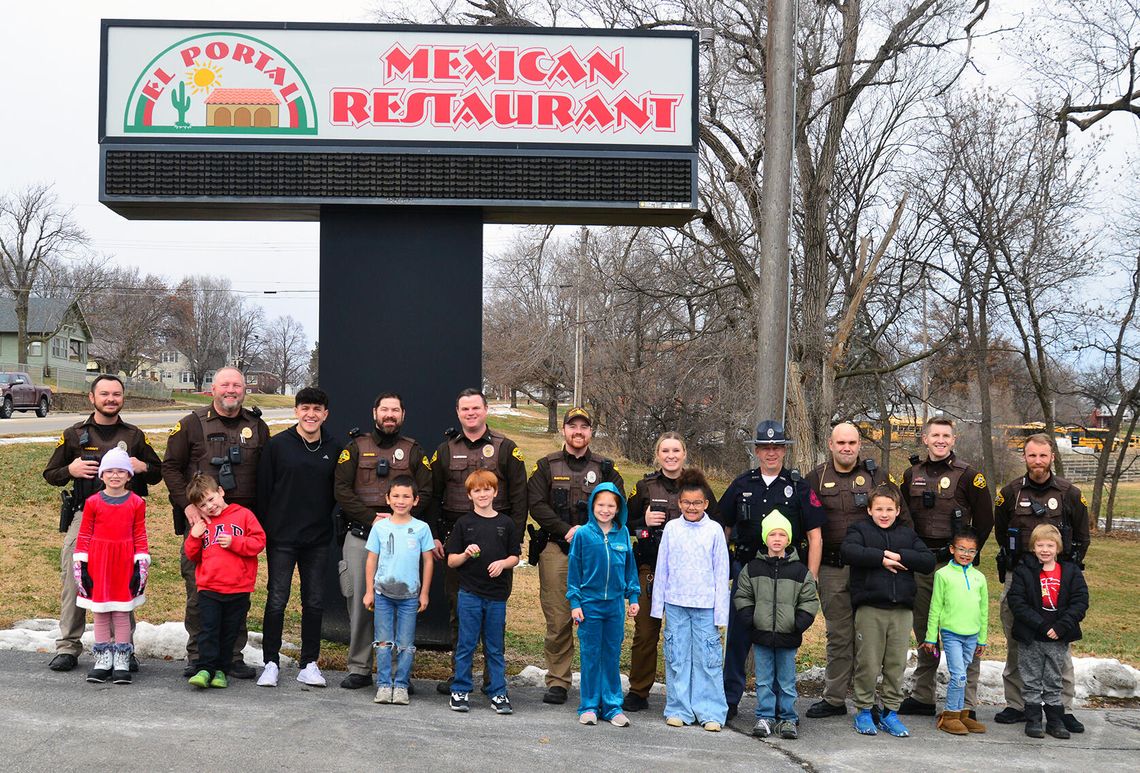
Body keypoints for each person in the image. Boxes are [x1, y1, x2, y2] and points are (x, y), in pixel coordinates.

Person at [43, 374, 162, 673]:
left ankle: (125, 648)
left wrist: (142, 466)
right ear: (92, 398)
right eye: (105, 394)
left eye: (117, 394)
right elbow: (50, 473)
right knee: (75, 574)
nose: (111, 399)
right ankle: (69, 646)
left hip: (123, 517)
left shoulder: (134, 436)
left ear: (123, 398)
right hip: (87, 515)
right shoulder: (74, 434)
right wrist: (70, 468)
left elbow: (158, 472)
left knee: (126, 579)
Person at [162, 366, 269, 679]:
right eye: (225, 385)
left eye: (237, 385)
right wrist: (187, 507)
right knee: (200, 595)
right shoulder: (191, 424)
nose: (231, 390)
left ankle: (231, 657)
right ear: (213, 389)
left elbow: (267, 471)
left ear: (244, 390)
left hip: (240, 528)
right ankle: (199, 657)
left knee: (237, 599)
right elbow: (170, 467)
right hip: (203, 528)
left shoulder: (257, 425)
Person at [719, 420, 825, 719]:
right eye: (765, 448)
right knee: (739, 637)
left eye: (776, 447)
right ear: (756, 450)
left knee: (782, 638)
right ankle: (730, 699)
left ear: (783, 450)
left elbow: (815, 535)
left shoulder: (798, 486)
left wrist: (811, 577)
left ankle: (781, 705)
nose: (771, 453)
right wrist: (721, 568)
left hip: (785, 577)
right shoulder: (742, 485)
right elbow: (722, 528)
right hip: (747, 573)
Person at [805, 422, 908, 718]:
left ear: (860, 445)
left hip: (872, 568)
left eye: (852, 442)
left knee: (871, 637)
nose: (847, 448)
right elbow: (807, 524)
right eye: (841, 443)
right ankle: (834, 698)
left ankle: (868, 699)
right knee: (839, 635)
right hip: (833, 567)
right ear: (830, 444)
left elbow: (900, 517)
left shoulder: (876, 475)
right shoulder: (816, 478)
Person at [333, 392, 434, 690]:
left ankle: (396, 672)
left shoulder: (414, 451)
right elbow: (341, 489)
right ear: (374, 412)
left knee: (399, 603)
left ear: (403, 415)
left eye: (395, 410)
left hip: (402, 542)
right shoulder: (355, 447)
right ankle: (360, 667)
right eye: (384, 410)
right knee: (362, 603)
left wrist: (397, 521)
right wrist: (371, 519)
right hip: (361, 536)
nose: (389, 415)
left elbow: (426, 492)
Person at [431, 388, 527, 695]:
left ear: (485, 410)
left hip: (497, 541)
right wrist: (435, 534)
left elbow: (520, 498)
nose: (470, 413)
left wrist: (514, 538)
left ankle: (492, 678)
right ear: (458, 413)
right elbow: (433, 495)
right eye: (464, 409)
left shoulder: (506, 448)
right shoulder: (445, 450)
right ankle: (460, 676)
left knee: (494, 613)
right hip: (457, 541)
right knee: (459, 610)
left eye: (476, 408)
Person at [993, 433, 1089, 733]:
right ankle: (1018, 704)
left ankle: (1064, 707)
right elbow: (1000, 533)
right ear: (1025, 457)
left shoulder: (1069, 493)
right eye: (1032, 456)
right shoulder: (1009, 492)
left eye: (1043, 456)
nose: (1037, 461)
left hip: (1056, 577)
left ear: (1052, 457)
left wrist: (1061, 568)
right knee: (1018, 640)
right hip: (1020, 576)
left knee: (1060, 644)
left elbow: (1083, 536)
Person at [526, 407, 623, 705]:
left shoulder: (606, 468)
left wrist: (590, 531)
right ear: (564, 431)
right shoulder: (546, 466)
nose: (578, 431)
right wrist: (568, 530)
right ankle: (558, 680)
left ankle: (598, 684)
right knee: (558, 617)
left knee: (595, 618)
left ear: (591, 432)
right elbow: (536, 504)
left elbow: (618, 505)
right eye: (573, 426)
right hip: (558, 548)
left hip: (596, 554)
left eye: (584, 427)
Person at [898, 417, 993, 717]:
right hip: (922, 564)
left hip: (955, 567)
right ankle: (923, 696)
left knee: (963, 630)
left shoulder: (969, 476)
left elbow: (985, 520)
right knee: (926, 629)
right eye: (935, 435)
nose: (940, 440)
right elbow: (904, 518)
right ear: (925, 439)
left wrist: (967, 554)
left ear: (954, 440)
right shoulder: (910, 474)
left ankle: (965, 703)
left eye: (946, 435)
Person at [623, 432, 719, 713]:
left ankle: (687, 694)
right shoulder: (643, 486)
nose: (671, 456)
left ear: (684, 453)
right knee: (645, 632)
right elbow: (621, 523)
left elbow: (716, 523)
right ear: (658, 455)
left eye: (676, 450)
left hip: (689, 575)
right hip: (650, 570)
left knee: (686, 636)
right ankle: (639, 690)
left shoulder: (699, 486)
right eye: (665, 450)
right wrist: (644, 522)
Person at [255, 387, 342, 688]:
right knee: (277, 600)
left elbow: (337, 493)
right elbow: (264, 491)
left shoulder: (334, 447)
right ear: (296, 411)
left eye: (317, 409)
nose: (311, 414)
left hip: (317, 538)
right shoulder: (278, 445)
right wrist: (269, 528)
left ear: (325, 414)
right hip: (282, 538)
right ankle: (270, 662)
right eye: (305, 408)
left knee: (314, 601)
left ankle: (309, 663)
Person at [841, 483, 935, 737]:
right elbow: (848, 551)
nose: (884, 514)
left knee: (895, 664)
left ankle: (889, 711)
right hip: (871, 609)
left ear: (897, 510)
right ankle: (863, 709)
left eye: (889, 509)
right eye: (879, 509)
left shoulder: (907, 534)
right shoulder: (859, 530)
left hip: (902, 610)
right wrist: (881, 558)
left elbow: (927, 561)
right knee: (868, 663)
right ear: (869, 510)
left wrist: (900, 556)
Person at [650, 469, 730, 732]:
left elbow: (721, 573)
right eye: (687, 503)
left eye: (697, 503)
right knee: (677, 657)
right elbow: (662, 569)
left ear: (706, 503)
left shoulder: (715, 531)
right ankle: (678, 708)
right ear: (679, 503)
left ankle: (711, 711)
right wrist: (657, 607)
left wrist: (721, 613)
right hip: (676, 604)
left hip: (706, 605)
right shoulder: (672, 529)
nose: (692, 507)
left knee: (708, 660)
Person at [733, 511, 819, 740]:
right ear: (765, 538)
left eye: (782, 534)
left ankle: (788, 718)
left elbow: (809, 601)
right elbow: (742, 596)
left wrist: (796, 623)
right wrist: (752, 619)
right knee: (763, 679)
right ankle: (765, 716)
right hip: (760, 635)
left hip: (787, 636)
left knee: (787, 680)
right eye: (773, 534)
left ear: (789, 539)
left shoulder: (800, 571)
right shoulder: (752, 568)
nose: (777, 539)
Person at [445, 469, 521, 715]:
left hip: (497, 596)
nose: (482, 494)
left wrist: (503, 563)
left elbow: (515, 557)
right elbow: (451, 561)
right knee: (466, 644)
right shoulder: (463, 524)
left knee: (495, 646)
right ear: (469, 495)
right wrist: (466, 553)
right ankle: (460, 689)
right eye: (477, 490)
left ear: (495, 492)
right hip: (469, 594)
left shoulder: (506, 523)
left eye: (487, 489)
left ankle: (498, 692)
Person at [73, 448, 150, 685]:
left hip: (124, 562)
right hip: (99, 561)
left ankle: (122, 659)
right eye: (109, 471)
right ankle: (103, 659)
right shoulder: (93, 502)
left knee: (121, 612)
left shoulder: (136, 503)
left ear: (129, 476)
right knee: (101, 612)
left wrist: (141, 562)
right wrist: (81, 563)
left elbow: (139, 534)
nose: (115, 476)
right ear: (102, 475)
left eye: (120, 471)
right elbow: (84, 533)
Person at [183, 473, 266, 689]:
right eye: (203, 504)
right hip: (210, 587)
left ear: (221, 492)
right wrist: (194, 535)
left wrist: (235, 542)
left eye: (211, 499)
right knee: (209, 629)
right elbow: (193, 555)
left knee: (230, 631)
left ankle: (221, 669)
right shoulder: (203, 524)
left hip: (238, 587)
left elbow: (259, 542)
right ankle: (205, 668)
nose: (210, 507)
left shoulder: (244, 515)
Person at [567, 483, 640, 727]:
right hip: (589, 605)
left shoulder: (623, 533)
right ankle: (588, 705)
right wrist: (575, 602)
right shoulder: (583, 535)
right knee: (590, 654)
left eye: (611, 505)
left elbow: (630, 569)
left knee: (611, 655)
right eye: (601, 505)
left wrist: (634, 597)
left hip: (615, 607)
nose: (605, 510)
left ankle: (612, 706)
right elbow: (574, 572)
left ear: (618, 508)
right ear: (592, 506)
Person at [1007, 524, 1089, 740]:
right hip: (1032, 636)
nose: (1045, 549)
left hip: (1058, 637)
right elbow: (1017, 602)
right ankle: (1033, 719)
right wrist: (1042, 626)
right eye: (1040, 545)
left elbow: (1080, 601)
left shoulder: (1070, 571)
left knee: (1053, 679)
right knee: (1031, 677)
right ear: (1033, 547)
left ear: (1058, 547)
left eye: (1050, 545)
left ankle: (1054, 720)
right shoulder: (1024, 571)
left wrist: (1061, 627)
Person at [362, 475, 435, 705]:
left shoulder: (421, 528)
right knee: (383, 641)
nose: (400, 501)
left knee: (405, 643)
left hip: (410, 596)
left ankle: (401, 685)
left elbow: (429, 562)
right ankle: (384, 685)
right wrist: (369, 591)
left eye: (406, 496)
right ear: (387, 499)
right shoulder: (380, 528)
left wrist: (424, 593)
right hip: (383, 593)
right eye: (396, 496)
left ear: (415, 500)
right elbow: (371, 560)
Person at [921, 527, 989, 735]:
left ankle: (962, 715)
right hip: (952, 634)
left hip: (972, 635)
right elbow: (935, 607)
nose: (966, 554)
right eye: (962, 549)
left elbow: (984, 610)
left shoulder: (980, 578)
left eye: (971, 551)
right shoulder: (943, 575)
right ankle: (949, 715)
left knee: (965, 675)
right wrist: (931, 637)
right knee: (958, 675)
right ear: (952, 549)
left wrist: (982, 639)